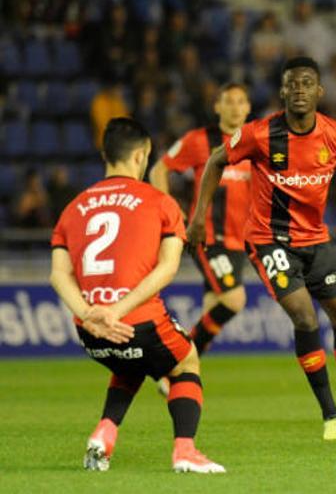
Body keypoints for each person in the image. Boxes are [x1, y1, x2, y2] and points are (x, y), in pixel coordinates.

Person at [187, 57, 336, 441]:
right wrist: (199, 217)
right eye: (292, 84)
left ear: (320, 91)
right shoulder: (259, 133)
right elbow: (216, 160)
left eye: (306, 83)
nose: (299, 89)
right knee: (305, 317)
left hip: (316, 238)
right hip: (270, 240)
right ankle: (330, 414)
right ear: (282, 92)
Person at [49, 118, 224, 473]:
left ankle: (103, 435)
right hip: (134, 320)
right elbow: (168, 268)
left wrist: (90, 313)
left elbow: (57, 275)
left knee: (131, 363)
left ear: (104, 155)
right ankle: (185, 451)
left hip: (89, 330)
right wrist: (116, 310)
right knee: (186, 360)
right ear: (142, 155)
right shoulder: (160, 202)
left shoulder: (74, 207)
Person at [149, 83, 252, 366]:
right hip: (207, 237)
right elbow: (159, 169)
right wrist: (169, 209)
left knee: (212, 308)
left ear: (248, 108)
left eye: (240, 101)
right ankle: (174, 362)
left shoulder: (256, 143)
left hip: (238, 241)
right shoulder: (200, 141)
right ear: (217, 106)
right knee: (235, 300)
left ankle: (182, 371)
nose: (235, 107)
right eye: (228, 101)